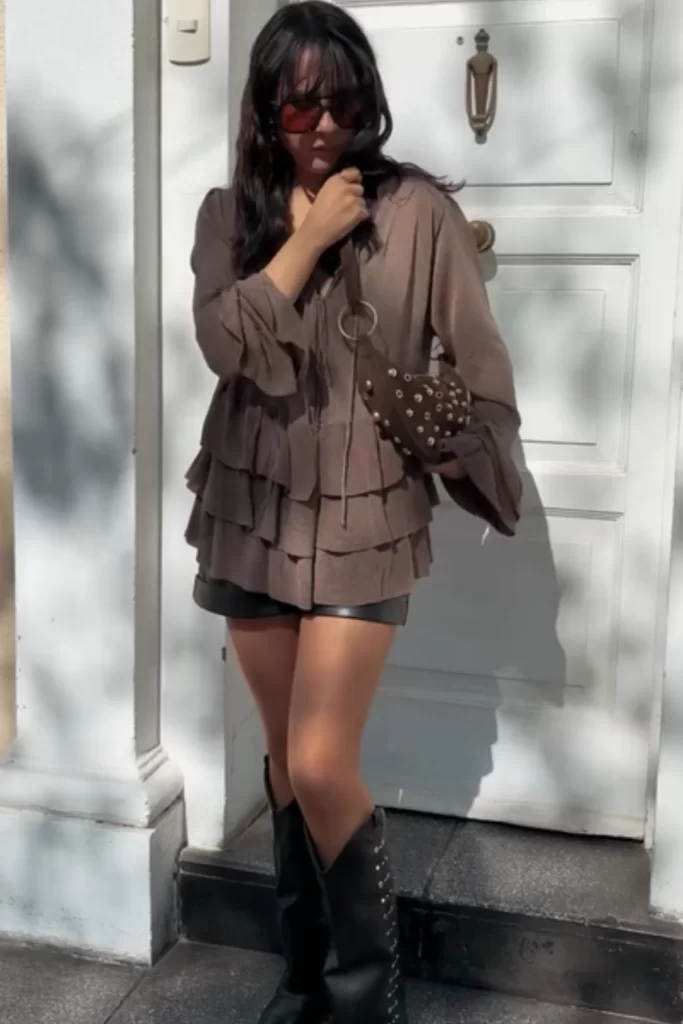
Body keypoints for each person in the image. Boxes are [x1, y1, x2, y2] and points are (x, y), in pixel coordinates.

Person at [184, 3, 521, 1022]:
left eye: (339, 101)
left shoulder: (416, 211)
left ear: (365, 102)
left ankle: (366, 995)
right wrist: (308, 238)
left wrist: (471, 440)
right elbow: (225, 345)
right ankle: (302, 971)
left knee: (324, 759)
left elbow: (481, 362)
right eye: (296, 103)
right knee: (287, 760)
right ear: (262, 110)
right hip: (252, 500)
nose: (320, 124)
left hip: (367, 512)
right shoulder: (225, 215)